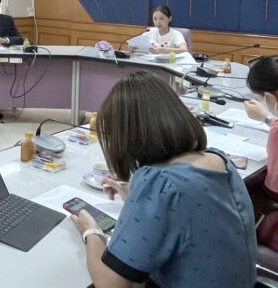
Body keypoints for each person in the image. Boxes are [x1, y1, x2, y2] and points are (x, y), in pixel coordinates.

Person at [71, 71, 256, 287]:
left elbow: (109, 283)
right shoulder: (221, 159)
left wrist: (91, 232)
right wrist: (135, 197)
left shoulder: (160, 183)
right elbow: (190, 213)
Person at [243, 56, 278, 200]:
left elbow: (277, 186)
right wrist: (267, 119)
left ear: (269, 98)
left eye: (260, 98)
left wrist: (268, 120)